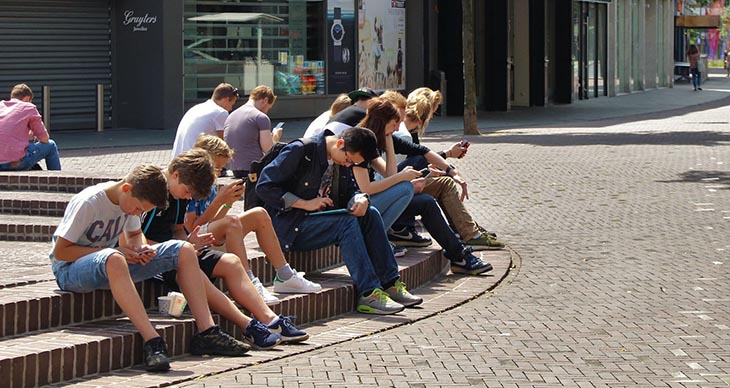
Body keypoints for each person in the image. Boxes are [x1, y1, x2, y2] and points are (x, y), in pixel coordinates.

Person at [50, 164, 248, 372]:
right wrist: (116, 251)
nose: (136, 213)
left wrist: (140, 248)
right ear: (126, 188)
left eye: (142, 211)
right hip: (70, 270)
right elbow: (61, 253)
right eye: (137, 209)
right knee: (115, 257)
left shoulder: (129, 200)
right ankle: (152, 341)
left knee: (184, 249)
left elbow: (135, 234)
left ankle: (207, 332)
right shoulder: (89, 202)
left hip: (111, 263)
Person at [141, 149, 309, 349]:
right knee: (194, 272)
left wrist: (187, 240)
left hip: (178, 250)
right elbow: (139, 242)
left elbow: (177, 230)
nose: (187, 198)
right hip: (153, 258)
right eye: (187, 192)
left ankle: (271, 320)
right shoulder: (154, 192)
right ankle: (248, 327)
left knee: (232, 262)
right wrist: (181, 247)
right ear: (175, 174)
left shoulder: (179, 195)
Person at [256, 126, 423, 314]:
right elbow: (264, 187)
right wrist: (305, 203)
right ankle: (369, 293)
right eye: (348, 160)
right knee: (345, 222)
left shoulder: (340, 159)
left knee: (371, 213)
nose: (348, 165)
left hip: (315, 221)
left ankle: (390, 283)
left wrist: (361, 199)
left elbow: (352, 190)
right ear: (340, 143)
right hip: (289, 227)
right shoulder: (301, 150)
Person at [354, 99, 494, 275]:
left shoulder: (380, 138)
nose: (398, 128)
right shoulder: (362, 140)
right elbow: (367, 188)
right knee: (406, 187)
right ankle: (383, 236)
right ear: (382, 122)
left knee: (426, 201)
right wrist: (404, 179)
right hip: (359, 205)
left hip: (372, 200)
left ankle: (459, 256)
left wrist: (389, 143)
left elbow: (394, 171)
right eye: (395, 123)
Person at [184, 134, 321, 305]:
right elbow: (192, 229)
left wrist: (227, 204)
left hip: (209, 236)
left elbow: (212, 223)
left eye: (221, 168)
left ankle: (285, 275)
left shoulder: (211, 186)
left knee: (259, 214)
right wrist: (220, 201)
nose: (219, 172)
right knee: (231, 222)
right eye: (216, 167)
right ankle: (248, 282)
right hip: (192, 242)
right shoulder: (188, 185)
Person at [224, 85, 281, 179]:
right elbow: (268, 150)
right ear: (265, 100)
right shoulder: (261, 117)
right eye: (268, 108)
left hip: (234, 168)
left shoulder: (231, 116)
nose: (267, 111)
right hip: (254, 168)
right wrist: (275, 139)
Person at [0, 83, 61, 171]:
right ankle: (57, 180)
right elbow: (44, 139)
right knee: (51, 145)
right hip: (14, 163)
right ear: (27, 98)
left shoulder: (1, 106)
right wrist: (34, 134)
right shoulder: (29, 107)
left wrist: (26, 135)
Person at [171, 83, 239, 158]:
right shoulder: (221, 112)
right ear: (226, 99)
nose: (231, 109)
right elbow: (224, 144)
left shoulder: (198, 107)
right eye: (232, 104)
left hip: (178, 158)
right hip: (193, 161)